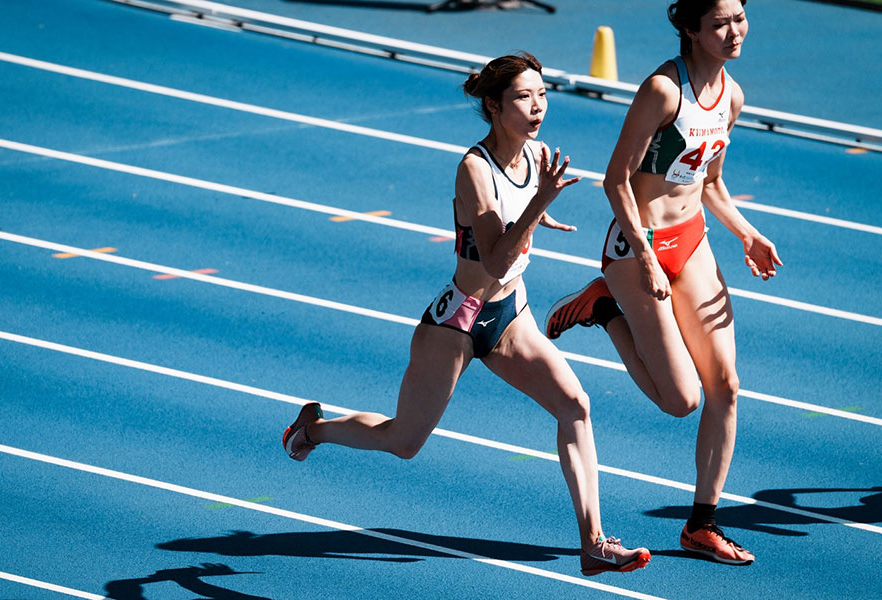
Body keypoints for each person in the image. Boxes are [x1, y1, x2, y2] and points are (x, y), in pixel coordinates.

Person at [283, 52, 650, 576]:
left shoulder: (537, 153)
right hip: (456, 322)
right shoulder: (473, 168)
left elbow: (511, 251)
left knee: (575, 405)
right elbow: (496, 256)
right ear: (494, 106)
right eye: (523, 97)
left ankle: (593, 542)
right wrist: (539, 203)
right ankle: (315, 428)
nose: (537, 106)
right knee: (403, 442)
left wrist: (538, 211)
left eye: (542, 94)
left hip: (508, 314)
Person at [545, 0, 780, 565]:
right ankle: (604, 309)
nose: (734, 31)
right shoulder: (662, 91)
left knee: (725, 384)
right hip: (637, 249)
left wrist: (747, 234)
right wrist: (646, 255)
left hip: (692, 241)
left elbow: (711, 182)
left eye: (740, 17)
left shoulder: (733, 97)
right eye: (721, 21)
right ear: (691, 29)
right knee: (681, 400)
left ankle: (702, 525)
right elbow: (615, 179)